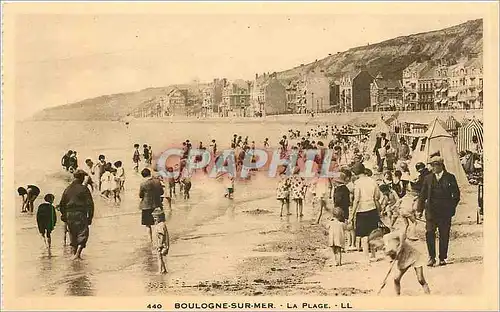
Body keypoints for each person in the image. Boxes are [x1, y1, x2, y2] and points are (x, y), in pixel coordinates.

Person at [417, 156, 460, 266]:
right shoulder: (428, 178)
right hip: (431, 211)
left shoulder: (450, 177)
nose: (432, 168)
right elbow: (422, 195)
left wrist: (451, 207)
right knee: (429, 233)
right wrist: (419, 209)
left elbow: (456, 195)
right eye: (431, 165)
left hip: (445, 212)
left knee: (444, 234)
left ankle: (442, 258)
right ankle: (431, 257)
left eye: (434, 165)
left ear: (440, 165)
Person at [349, 162, 382, 263]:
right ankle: (373, 255)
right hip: (372, 208)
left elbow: (356, 199)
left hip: (361, 210)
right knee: (372, 233)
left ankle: (366, 256)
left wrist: (352, 214)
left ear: (355, 173)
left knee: (363, 235)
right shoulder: (372, 181)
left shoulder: (357, 183)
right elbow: (377, 196)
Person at [59, 170, 94, 260]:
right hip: (80, 213)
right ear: (82, 178)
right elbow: (90, 204)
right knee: (83, 233)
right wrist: (90, 217)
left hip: (69, 214)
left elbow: (62, 204)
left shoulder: (67, 189)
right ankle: (77, 254)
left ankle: (74, 254)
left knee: (72, 233)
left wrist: (64, 215)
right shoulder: (84, 189)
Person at [381, 231, 431, 295]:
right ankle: (397, 297)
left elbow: (401, 233)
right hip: (403, 259)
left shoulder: (387, 237)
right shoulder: (384, 249)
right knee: (396, 279)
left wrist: (401, 245)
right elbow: (392, 260)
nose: (375, 246)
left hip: (413, 255)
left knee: (420, 279)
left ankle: (428, 295)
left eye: (374, 243)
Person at [139, 168, 164, 243]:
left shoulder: (143, 184)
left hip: (146, 206)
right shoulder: (157, 182)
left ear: (143, 176)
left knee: (148, 224)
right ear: (150, 173)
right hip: (157, 204)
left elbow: (140, 195)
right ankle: (160, 238)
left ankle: (150, 241)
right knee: (159, 222)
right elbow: (161, 192)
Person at [152, 208, 169, 274]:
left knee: (159, 257)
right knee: (161, 257)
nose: (154, 219)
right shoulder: (162, 224)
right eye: (154, 217)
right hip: (163, 244)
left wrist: (160, 244)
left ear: (161, 217)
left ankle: (160, 270)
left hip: (161, 244)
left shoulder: (160, 225)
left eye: (156, 217)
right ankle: (164, 269)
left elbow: (161, 235)